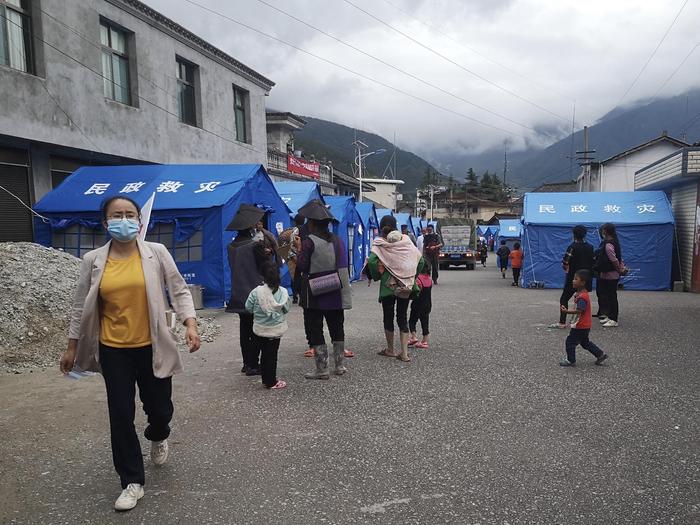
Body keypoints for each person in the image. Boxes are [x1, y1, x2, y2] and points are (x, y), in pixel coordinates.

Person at [59, 195, 201, 512]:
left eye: (130, 214)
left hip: (152, 345)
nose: (124, 220)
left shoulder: (156, 253)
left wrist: (191, 324)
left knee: (160, 409)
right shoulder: (94, 259)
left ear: (138, 220)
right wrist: (71, 346)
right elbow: (80, 306)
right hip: (113, 349)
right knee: (121, 415)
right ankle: (131, 481)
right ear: (105, 222)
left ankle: (158, 433)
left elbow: (178, 290)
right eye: (116, 215)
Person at [296, 200, 352, 379]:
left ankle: (322, 369)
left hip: (315, 291)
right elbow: (343, 266)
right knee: (337, 327)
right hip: (335, 289)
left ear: (312, 223)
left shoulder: (309, 242)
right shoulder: (337, 240)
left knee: (316, 328)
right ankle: (340, 365)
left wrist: (298, 253)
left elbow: (303, 266)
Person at [367, 215, 424, 363]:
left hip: (388, 286)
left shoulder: (379, 243)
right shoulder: (406, 241)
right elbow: (421, 260)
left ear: (381, 228)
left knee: (388, 316)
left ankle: (390, 349)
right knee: (402, 316)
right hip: (405, 285)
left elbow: (373, 262)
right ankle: (404, 353)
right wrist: (411, 275)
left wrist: (377, 276)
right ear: (396, 226)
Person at [225, 205, 270, 376]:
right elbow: (265, 267)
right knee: (257, 329)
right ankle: (253, 363)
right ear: (250, 227)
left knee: (245, 329)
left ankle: (247, 363)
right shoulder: (254, 246)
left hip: (238, 293)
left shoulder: (231, 247)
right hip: (254, 292)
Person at [245, 262, 292, 390]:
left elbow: (248, 307)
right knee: (271, 356)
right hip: (275, 331)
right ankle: (270, 381)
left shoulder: (256, 292)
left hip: (259, 329)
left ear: (263, 277)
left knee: (260, 352)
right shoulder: (283, 292)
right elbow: (286, 308)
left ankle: (259, 372)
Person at [559, 270, 609, 367]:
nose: (573, 281)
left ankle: (571, 360)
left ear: (583, 283)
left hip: (580, 325)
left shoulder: (582, 297)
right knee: (585, 343)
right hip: (585, 325)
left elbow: (580, 311)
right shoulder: (582, 294)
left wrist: (566, 312)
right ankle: (600, 354)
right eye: (573, 279)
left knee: (570, 342)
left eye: (576, 279)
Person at [551, 225, 595, 329]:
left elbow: (565, 261)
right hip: (586, 278)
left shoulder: (572, 247)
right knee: (582, 299)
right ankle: (581, 321)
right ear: (585, 234)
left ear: (573, 234)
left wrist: (566, 267)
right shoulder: (590, 247)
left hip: (574, 278)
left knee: (564, 298)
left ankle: (562, 322)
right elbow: (593, 261)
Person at [595, 222, 627, 328]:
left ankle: (614, 319)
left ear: (605, 231)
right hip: (609, 274)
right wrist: (621, 268)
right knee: (608, 296)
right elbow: (618, 257)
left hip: (611, 274)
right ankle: (609, 316)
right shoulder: (614, 242)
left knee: (611, 296)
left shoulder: (608, 244)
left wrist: (619, 270)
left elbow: (613, 259)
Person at [408, 260, 433, 349]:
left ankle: (413, 337)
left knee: (412, 321)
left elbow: (415, 292)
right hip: (428, 305)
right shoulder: (429, 279)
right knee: (425, 321)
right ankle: (425, 341)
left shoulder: (418, 279)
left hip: (417, 304)